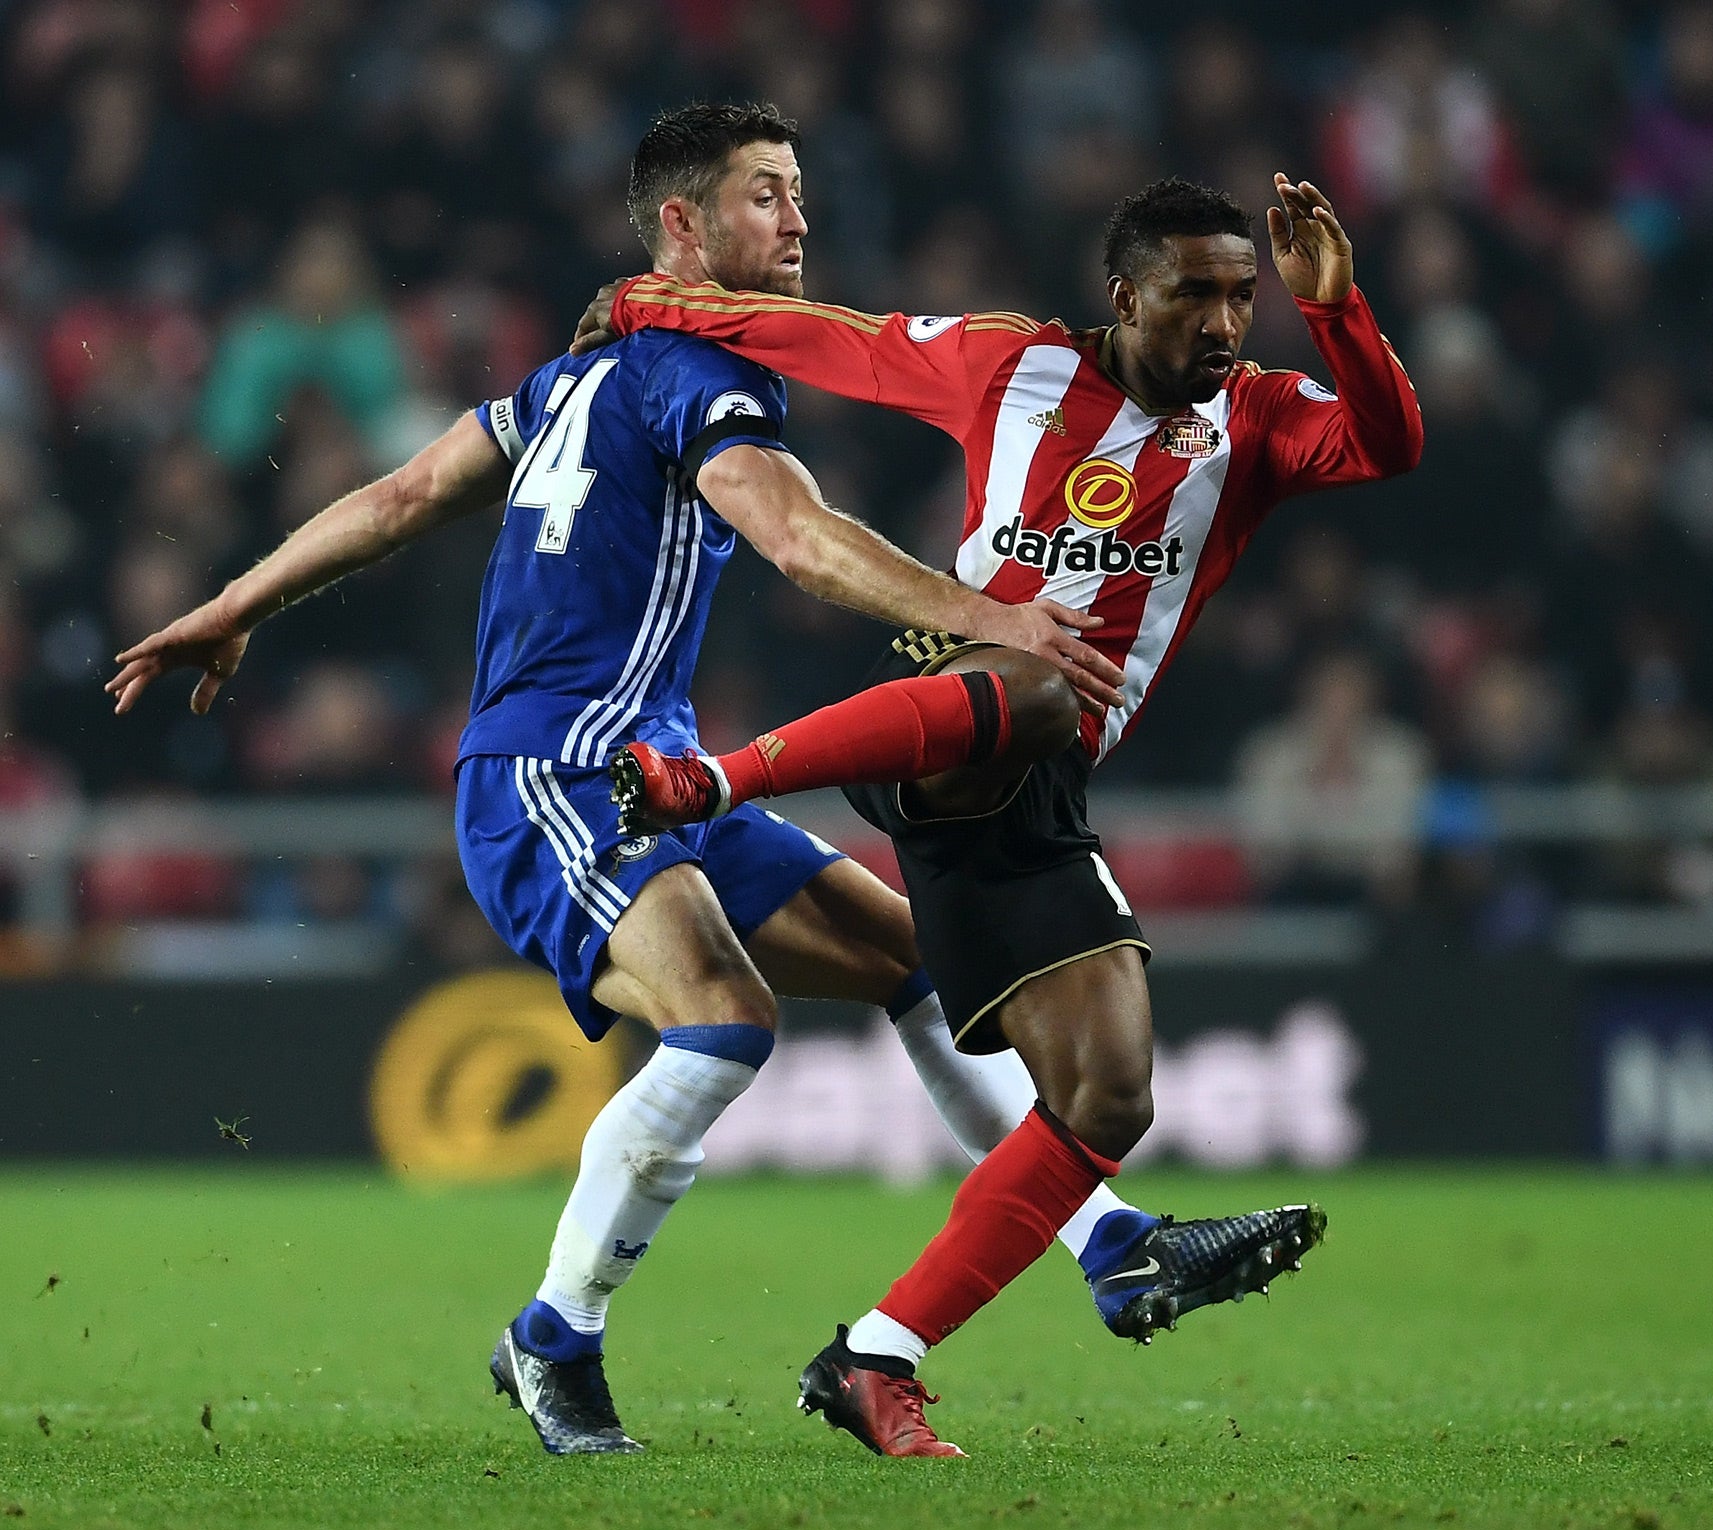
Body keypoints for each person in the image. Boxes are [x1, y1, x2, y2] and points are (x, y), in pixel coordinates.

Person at [103, 104, 1292, 1461]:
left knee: (910, 963)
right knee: (724, 1018)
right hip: (559, 772)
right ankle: (553, 1339)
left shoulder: (568, 379)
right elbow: (796, 538)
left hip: (652, 769)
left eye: (799, 193)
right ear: (683, 227)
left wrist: (234, 601)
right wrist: (991, 619)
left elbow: (400, 496)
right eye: (767, 196)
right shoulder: (680, 373)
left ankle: (1112, 1244)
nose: (798, 220)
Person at [580, 169, 1423, 1454]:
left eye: (1241, 298)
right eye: (1193, 296)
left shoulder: (1252, 422)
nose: (1223, 323)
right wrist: (656, 300)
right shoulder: (1006, 365)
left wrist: (1341, 310)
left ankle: (875, 1357)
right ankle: (719, 778)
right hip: (940, 714)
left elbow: (1388, 446)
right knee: (1032, 681)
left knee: (1107, 1095)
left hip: (1039, 791)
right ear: (1121, 295)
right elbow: (834, 340)